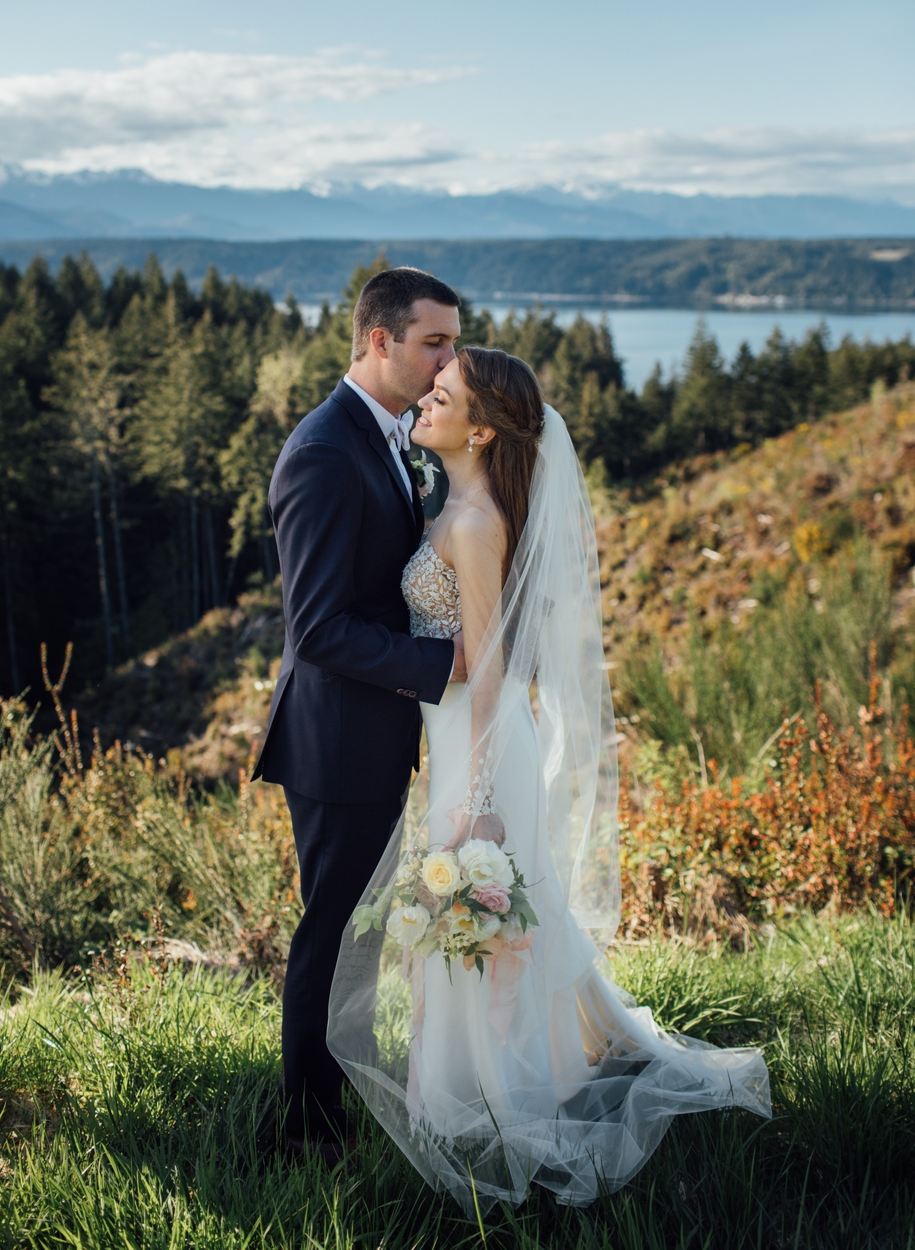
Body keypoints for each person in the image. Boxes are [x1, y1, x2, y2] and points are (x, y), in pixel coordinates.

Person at [328, 347, 771, 1213]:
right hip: (457, 740)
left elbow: (489, 670)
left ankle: (501, 1098)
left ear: (481, 428)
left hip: (484, 748)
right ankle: (485, 1083)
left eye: (444, 395)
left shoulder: (477, 520)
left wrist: (482, 805)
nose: (427, 397)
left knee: (482, 921)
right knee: (480, 925)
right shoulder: (448, 498)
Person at [252, 265, 468, 1160]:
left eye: (453, 341)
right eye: (434, 343)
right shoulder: (324, 452)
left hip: (375, 736)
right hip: (337, 741)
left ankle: (342, 1090)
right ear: (379, 341)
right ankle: (305, 1129)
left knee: (356, 935)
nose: (448, 360)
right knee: (332, 933)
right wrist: (446, 664)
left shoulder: (390, 436)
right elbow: (320, 630)